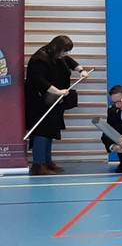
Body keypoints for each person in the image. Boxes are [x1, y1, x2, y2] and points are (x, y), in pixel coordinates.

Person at [24, 35, 83, 175]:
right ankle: (38, 164)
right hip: (40, 102)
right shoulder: (39, 59)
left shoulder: (56, 55)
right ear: (56, 48)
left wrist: (80, 69)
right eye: (64, 51)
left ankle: (47, 161)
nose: (65, 54)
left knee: (50, 130)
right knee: (42, 131)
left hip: (54, 100)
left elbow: (68, 60)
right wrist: (58, 91)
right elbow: (38, 80)